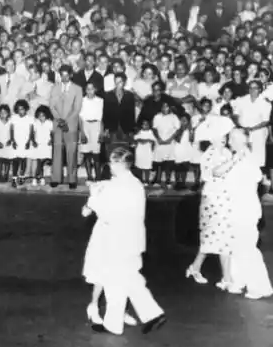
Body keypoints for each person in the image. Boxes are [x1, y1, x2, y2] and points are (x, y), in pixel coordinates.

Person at [82, 147, 166, 335]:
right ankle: (153, 314)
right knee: (132, 279)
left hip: (116, 238)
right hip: (133, 239)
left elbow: (105, 212)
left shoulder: (117, 187)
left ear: (119, 164)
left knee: (113, 281)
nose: (109, 166)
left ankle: (113, 325)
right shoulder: (134, 183)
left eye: (112, 162)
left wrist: (93, 197)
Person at [215, 129, 273, 299]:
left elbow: (255, 179)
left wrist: (240, 160)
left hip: (246, 209)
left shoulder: (250, 159)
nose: (229, 141)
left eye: (232, 138)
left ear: (242, 141)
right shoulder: (233, 158)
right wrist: (234, 160)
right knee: (235, 246)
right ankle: (238, 281)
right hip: (232, 208)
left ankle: (260, 287)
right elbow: (217, 172)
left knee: (247, 247)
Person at [186, 117, 235, 286]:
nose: (223, 138)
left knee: (224, 236)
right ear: (212, 137)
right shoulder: (208, 155)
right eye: (219, 135)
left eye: (225, 136)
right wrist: (234, 160)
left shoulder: (227, 152)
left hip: (226, 196)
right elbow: (216, 173)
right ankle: (200, 269)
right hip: (213, 198)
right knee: (212, 237)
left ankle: (221, 275)